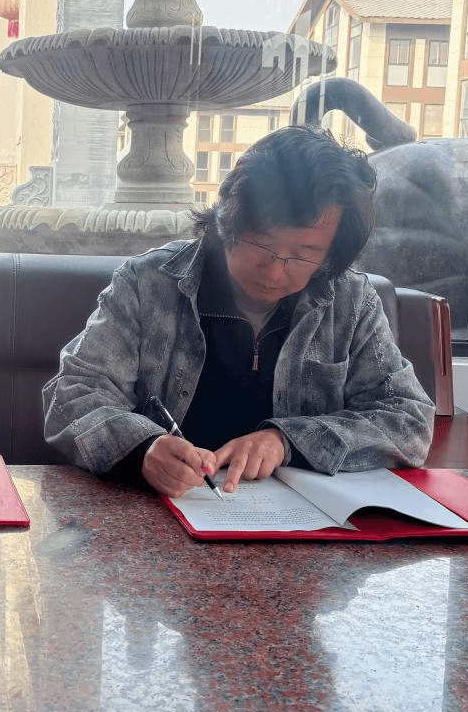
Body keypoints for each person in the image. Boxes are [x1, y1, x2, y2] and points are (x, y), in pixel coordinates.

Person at [43, 125, 434, 498]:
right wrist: (143, 448)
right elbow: (73, 394)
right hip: (168, 507)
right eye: (261, 244)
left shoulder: (351, 301)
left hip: (303, 521)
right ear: (228, 220)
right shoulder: (148, 284)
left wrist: (286, 441)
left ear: (332, 253)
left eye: (303, 255)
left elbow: (408, 419)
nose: (275, 271)